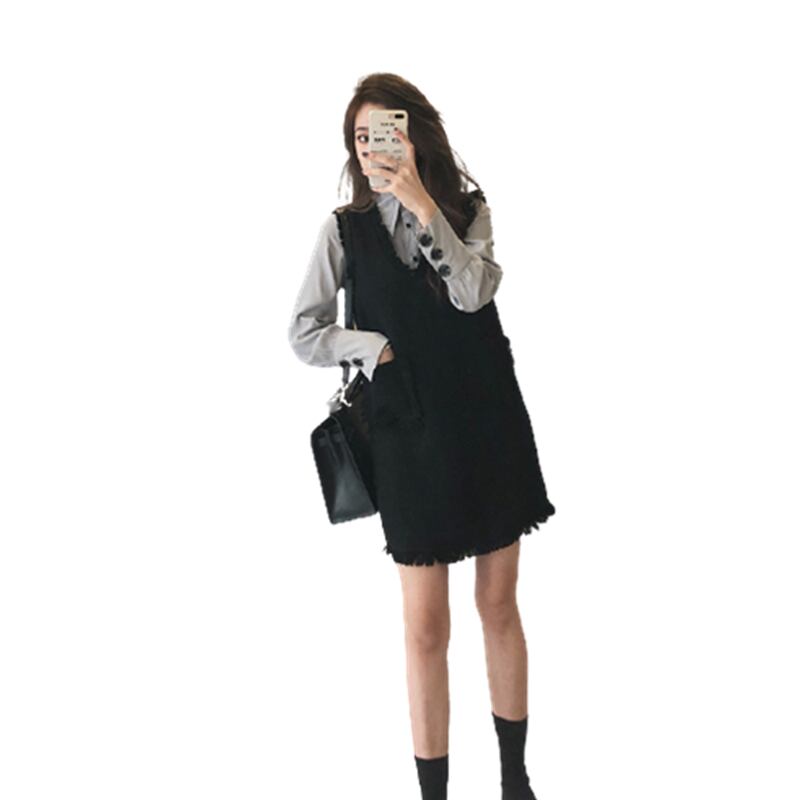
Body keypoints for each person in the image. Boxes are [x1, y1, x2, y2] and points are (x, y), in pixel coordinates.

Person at [288, 72, 556, 800]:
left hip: (486, 419)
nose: (373, 147)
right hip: (406, 433)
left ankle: (514, 781)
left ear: (415, 135)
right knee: (425, 628)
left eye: (387, 132)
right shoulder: (342, 231)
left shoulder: (467, 209)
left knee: (498, 605)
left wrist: (421, 204)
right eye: (362, 137)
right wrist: (370, 347)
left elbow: (473, 293)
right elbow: (304, 332)